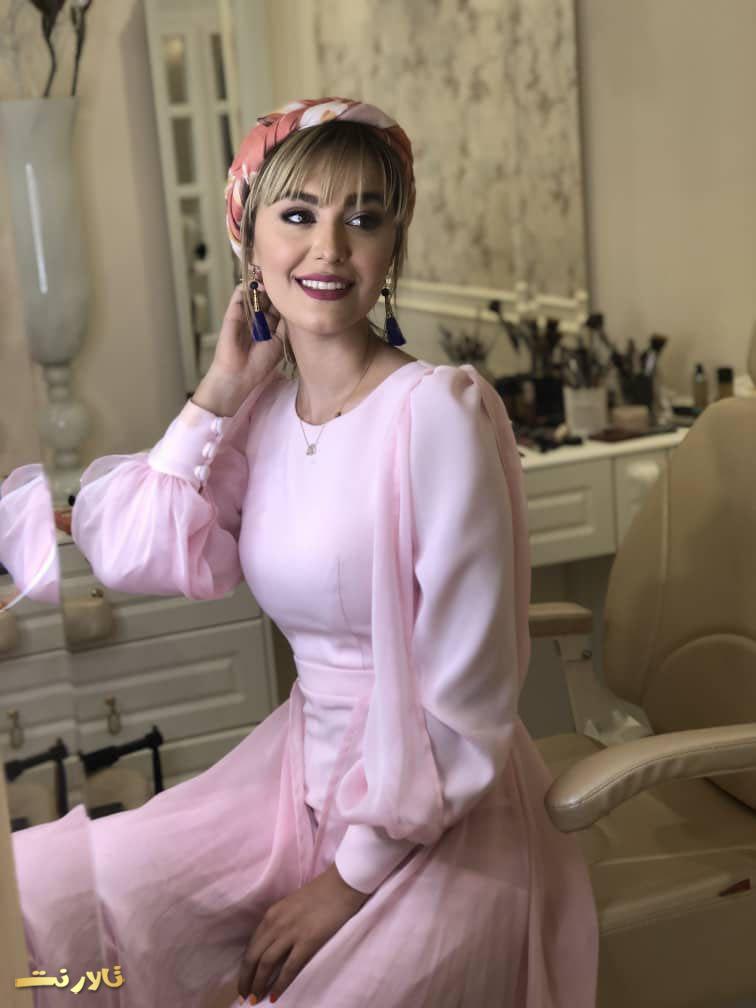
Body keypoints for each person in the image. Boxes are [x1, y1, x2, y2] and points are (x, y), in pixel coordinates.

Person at [10, 97, 598, 1007]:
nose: (328, 249)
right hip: (297, 782)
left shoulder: (436, 416)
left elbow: (469, 697)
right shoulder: (263, 416)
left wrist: (346, 882)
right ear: (248, 239)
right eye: (297, 215)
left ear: (392, 247)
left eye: (363, 219)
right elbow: (138, 552)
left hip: (442, 811)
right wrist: (219, 388)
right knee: (49, 897)